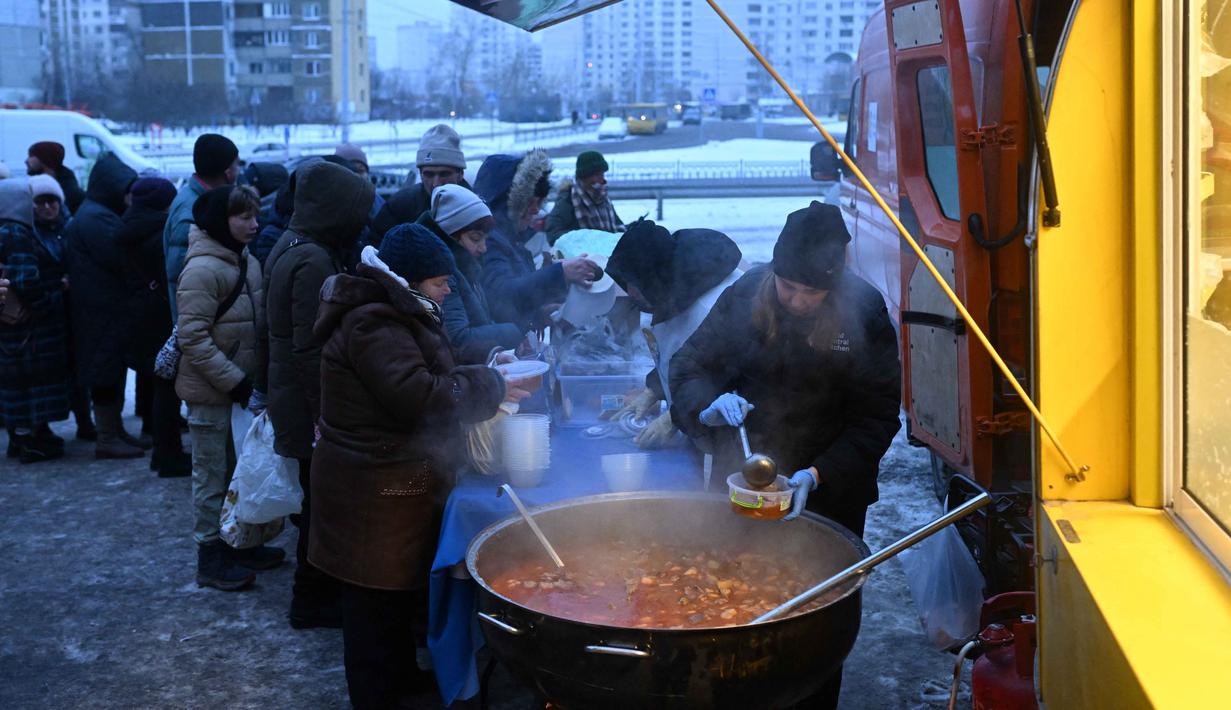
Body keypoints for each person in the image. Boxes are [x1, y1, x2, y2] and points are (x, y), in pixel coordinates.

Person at [668, 202, 900, 708]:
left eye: (810, 292)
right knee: (732, 604)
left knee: (813, 625)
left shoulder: (865, 312)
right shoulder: (747, 293)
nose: (795, 300)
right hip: (741, 479)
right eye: (787, 286)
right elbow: (688, 366)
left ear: (833, 284)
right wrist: (706, 407)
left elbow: (878, 417)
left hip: (827, 490)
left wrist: (816, 475)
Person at [309, 224, 511, 709]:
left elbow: (431, 367)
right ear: (411, 280)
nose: (448, 289)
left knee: (393, 595)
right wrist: (491, 385)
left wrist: (485, 366)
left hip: (388, 477)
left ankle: (398, 679)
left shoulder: (401, 311)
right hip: (368, 486)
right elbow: (420, 397)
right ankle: (376, 696)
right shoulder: (373, 323)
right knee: (370, 602)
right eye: (441, 282)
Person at [264, 160, 375, 627]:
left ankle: (315, 595)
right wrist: (324, 415)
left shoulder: (292, 244)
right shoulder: (311, 259)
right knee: (322, 506)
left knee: (318, 501)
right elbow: (311, 348)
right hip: (307, 403)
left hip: (293, 396)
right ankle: (310, 600)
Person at [175, 185, 281, 591]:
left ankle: (240, 543)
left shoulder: (244, 258)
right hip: (211, 394)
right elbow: (193, 339)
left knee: (243, 469)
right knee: (211, 476)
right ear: (221, 221)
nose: (254, 224)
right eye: (243, 217)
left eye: (255, 215)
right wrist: (235, 380)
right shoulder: (203, 268)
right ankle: (210, 555)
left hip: (240, 391)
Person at [605, 220, 744, 449]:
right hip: (693, 421)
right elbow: (675, 354)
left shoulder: (709, 308)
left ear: (653, 278)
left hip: (726, 433)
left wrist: (675, 417)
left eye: (634, 284)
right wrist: (654, 390)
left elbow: (726, 378)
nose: (630, 292)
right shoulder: (666, 293)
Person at [64, 154, 148, 459]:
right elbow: (119, 256)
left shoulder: (96, 213)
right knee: (104, 372)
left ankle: (114, 431)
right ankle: (107, 436)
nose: (129, 197)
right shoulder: (96, 218)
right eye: (125, 189)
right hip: (99, 309)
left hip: (101, 307)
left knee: (111, 371)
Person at [473, 149, 600, 330]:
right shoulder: (489, 241)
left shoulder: (510, 239)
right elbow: (502, 297)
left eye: (539, 202)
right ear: (508, 202)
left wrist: (540, 313)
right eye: (530, 202)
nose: (535, 210)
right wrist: (560, 273)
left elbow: (519, 299)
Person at [116, 176, 190, 477]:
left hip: (137, 313)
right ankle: (169, 455)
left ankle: (163, 452)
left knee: (158, 383)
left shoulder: (126, 226)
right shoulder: (157, 231)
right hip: (158, 314)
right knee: (168, 388)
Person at [0, 178, 71, 463]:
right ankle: (30, 440)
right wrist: (53, 296)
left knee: (17, 381)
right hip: (29, 327)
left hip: (10, 325)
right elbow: (26, 278)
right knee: (29, 383)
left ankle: (24, 436)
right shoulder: (16, 232)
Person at [416, 184, 522, 364]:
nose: (483, 248)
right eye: (475, 238)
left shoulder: (465, 265)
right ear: (451, 235)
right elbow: (459, 338)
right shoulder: (443, 276)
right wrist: (514, 331)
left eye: (485, 239)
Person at [30, 173, 95, 443]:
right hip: (44, 315)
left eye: (52, 202)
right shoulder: (29, 233)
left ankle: (84, 420)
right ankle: (40, 426)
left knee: (77, 368)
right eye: (41, 202)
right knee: (43, 373)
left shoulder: (68, 227)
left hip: (72, 312)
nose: (47, 208)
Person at [164, 134, 240, 317]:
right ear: (228, 172)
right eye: (237, 165)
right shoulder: (191, 212)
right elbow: (180, 282)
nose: (239, 171)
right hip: (201, 329)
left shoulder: (201, 202)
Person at [370, 124, 468, 243]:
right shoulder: (399, 207)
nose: (436, 184)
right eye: (429, 174)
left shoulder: (477, 209)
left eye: (444, 174)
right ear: (420, 174)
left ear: (460, 174)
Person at [546, 150, 624, 244]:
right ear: (584, 176)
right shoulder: (568, 199)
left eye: (602, 174)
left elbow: (616, 225)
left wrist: (629, 230)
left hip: (608, 255)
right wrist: (583, 239)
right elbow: (553, 234)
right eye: (596, 175)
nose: (602, 179)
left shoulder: (603, 197)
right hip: (583, 257)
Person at [26, 141, 85, 214]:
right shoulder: (30, 187)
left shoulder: (73, 195)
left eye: (31, 156)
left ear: (45, 159)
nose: (26, 161)